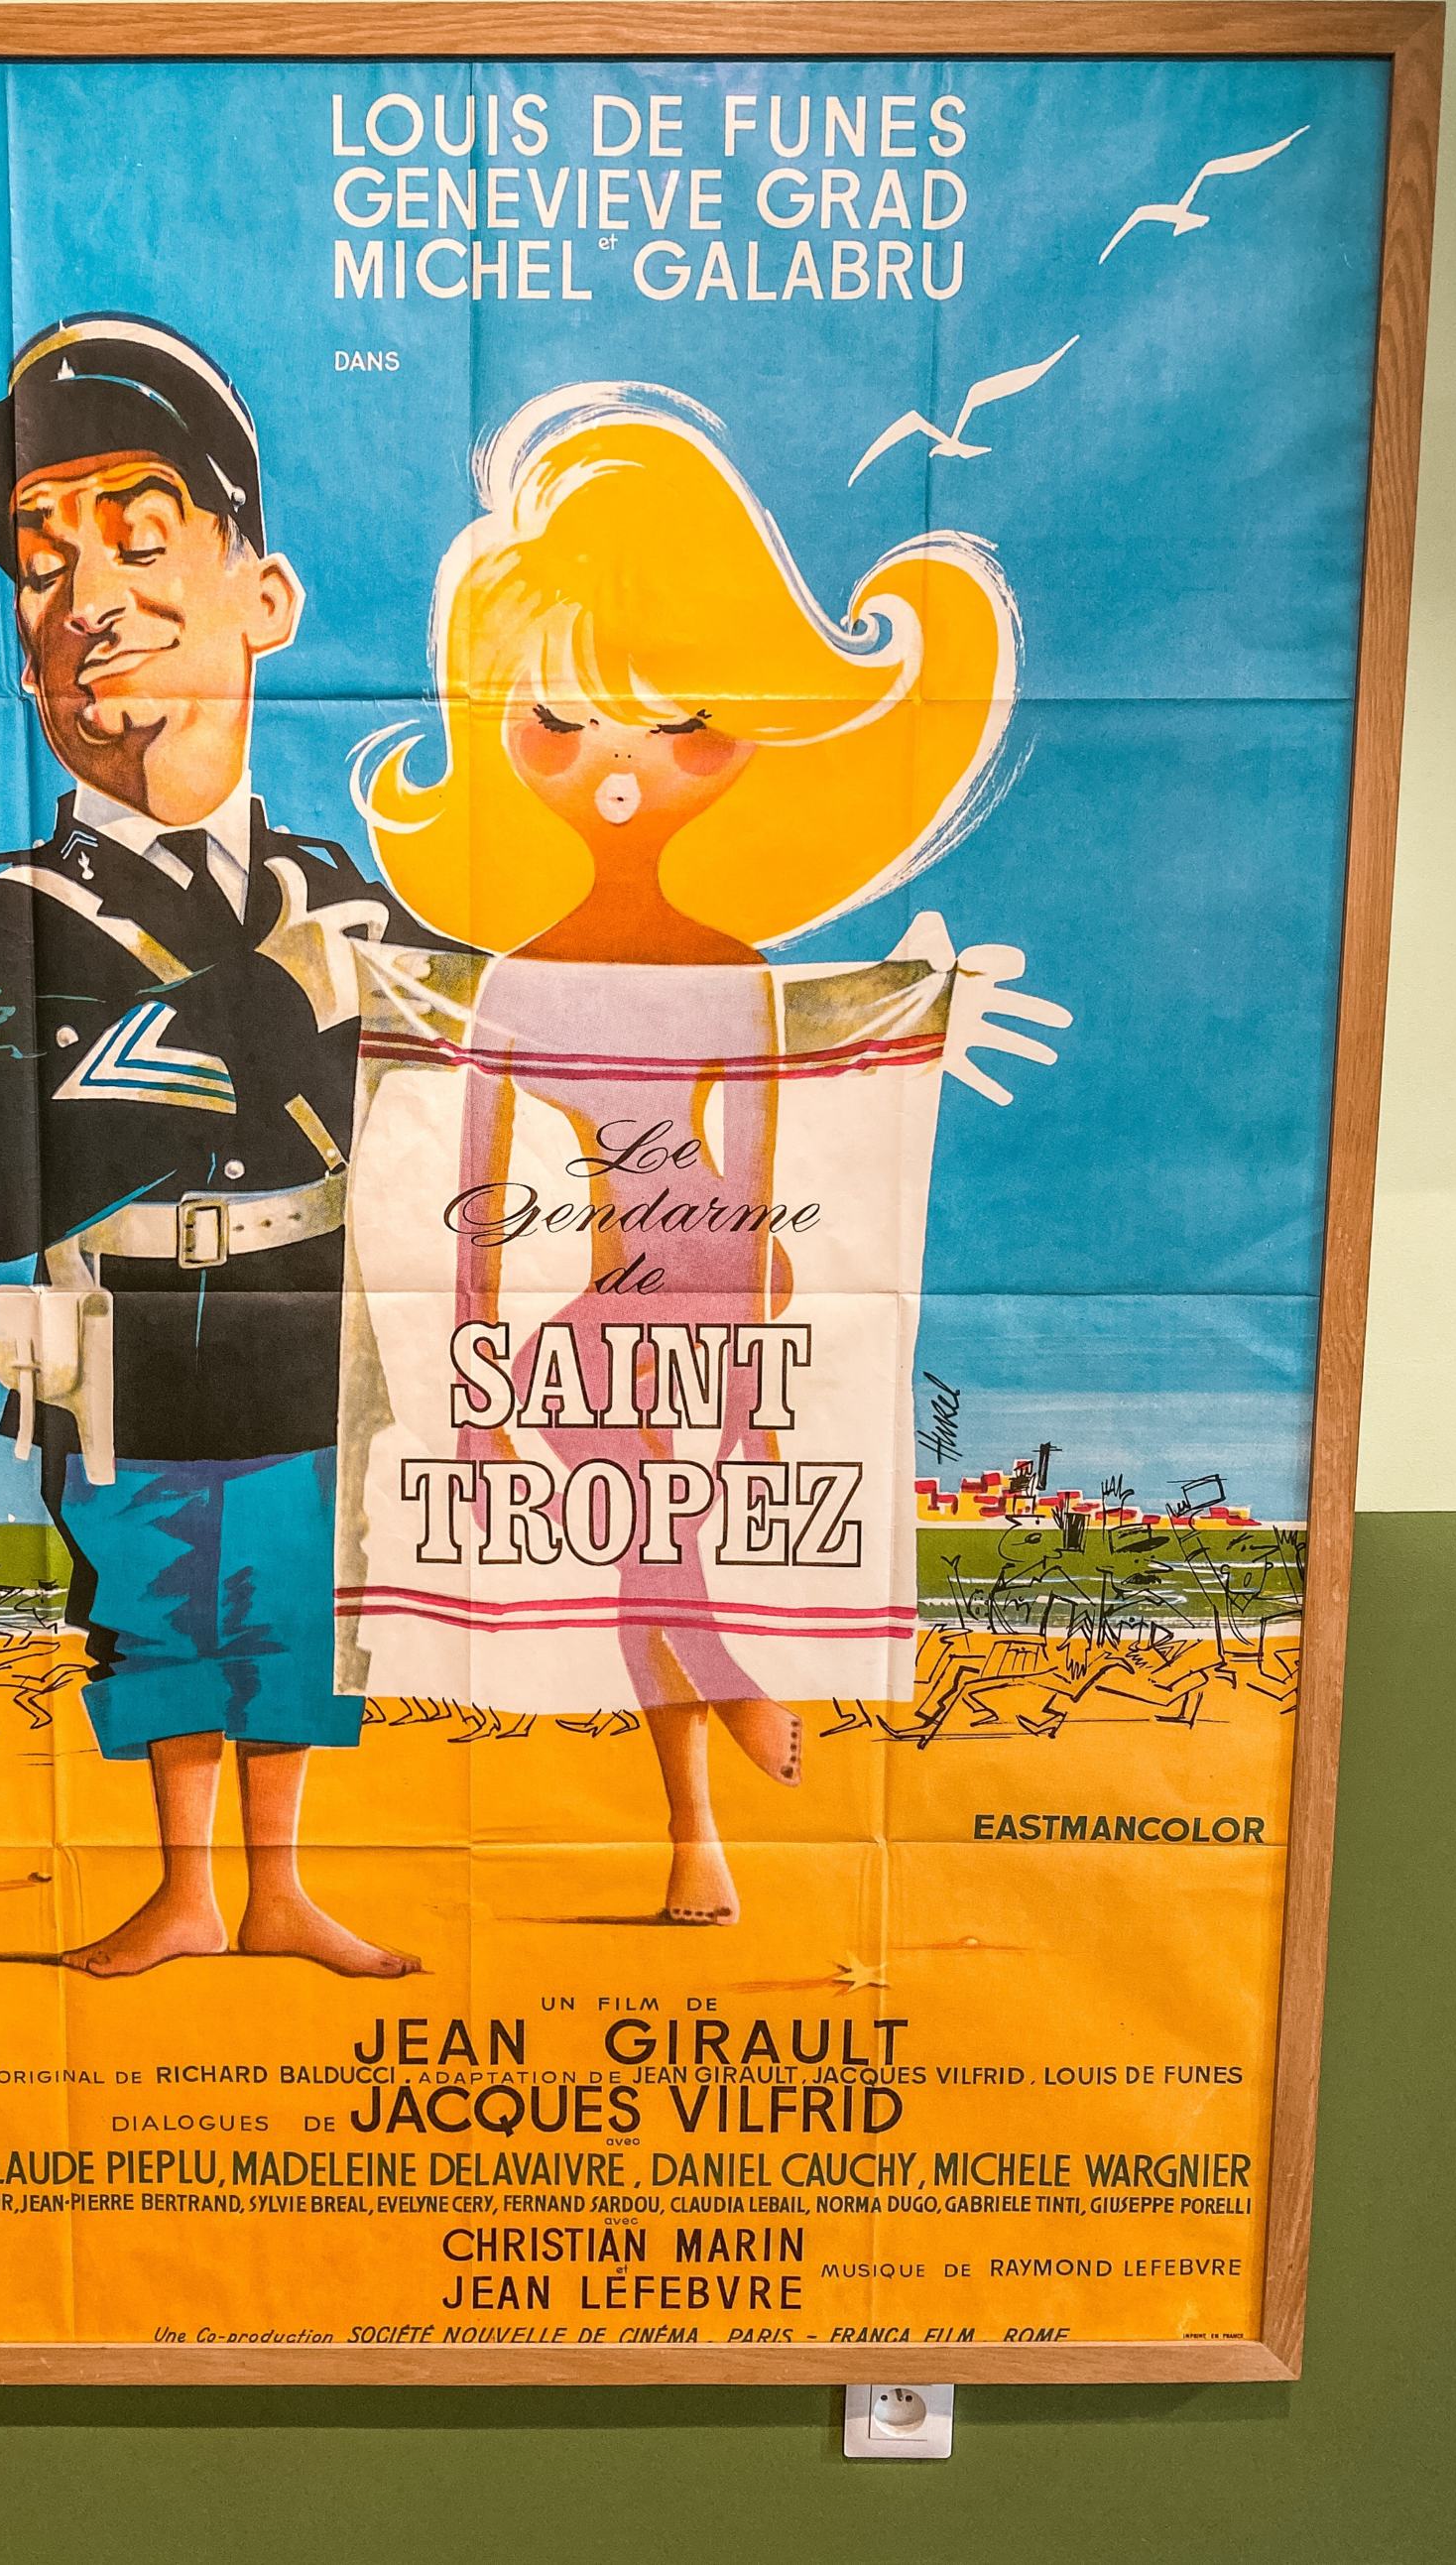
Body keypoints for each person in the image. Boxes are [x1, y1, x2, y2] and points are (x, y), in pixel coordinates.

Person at [354, 387, 1064, 1922]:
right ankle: (710, 1776)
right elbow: (469, 1177)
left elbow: (762, 1137)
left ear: (746, 740)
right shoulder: (514, 980)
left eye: (679, 721)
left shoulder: (733, 973)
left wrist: (748, 1374)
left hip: (728, 1290)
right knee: (643, 1535)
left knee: (643, 1535)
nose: (619, 760)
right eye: (561, 719)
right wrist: (471, 1391)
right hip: (601, 1309)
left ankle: (701, 1807)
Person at [0, 311, 436, 1978]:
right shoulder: (0, 912)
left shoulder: (343, 890)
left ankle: (278, 1887)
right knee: (151, 1599)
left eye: (143, 542)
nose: (91, 598)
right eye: (42, 564)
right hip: (122, 1335)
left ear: (262, 600)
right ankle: (182, 1890)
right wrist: (274, 1000)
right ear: (26, 655)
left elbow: (493, 1078)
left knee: (294, 1600)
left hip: (311, 1324)